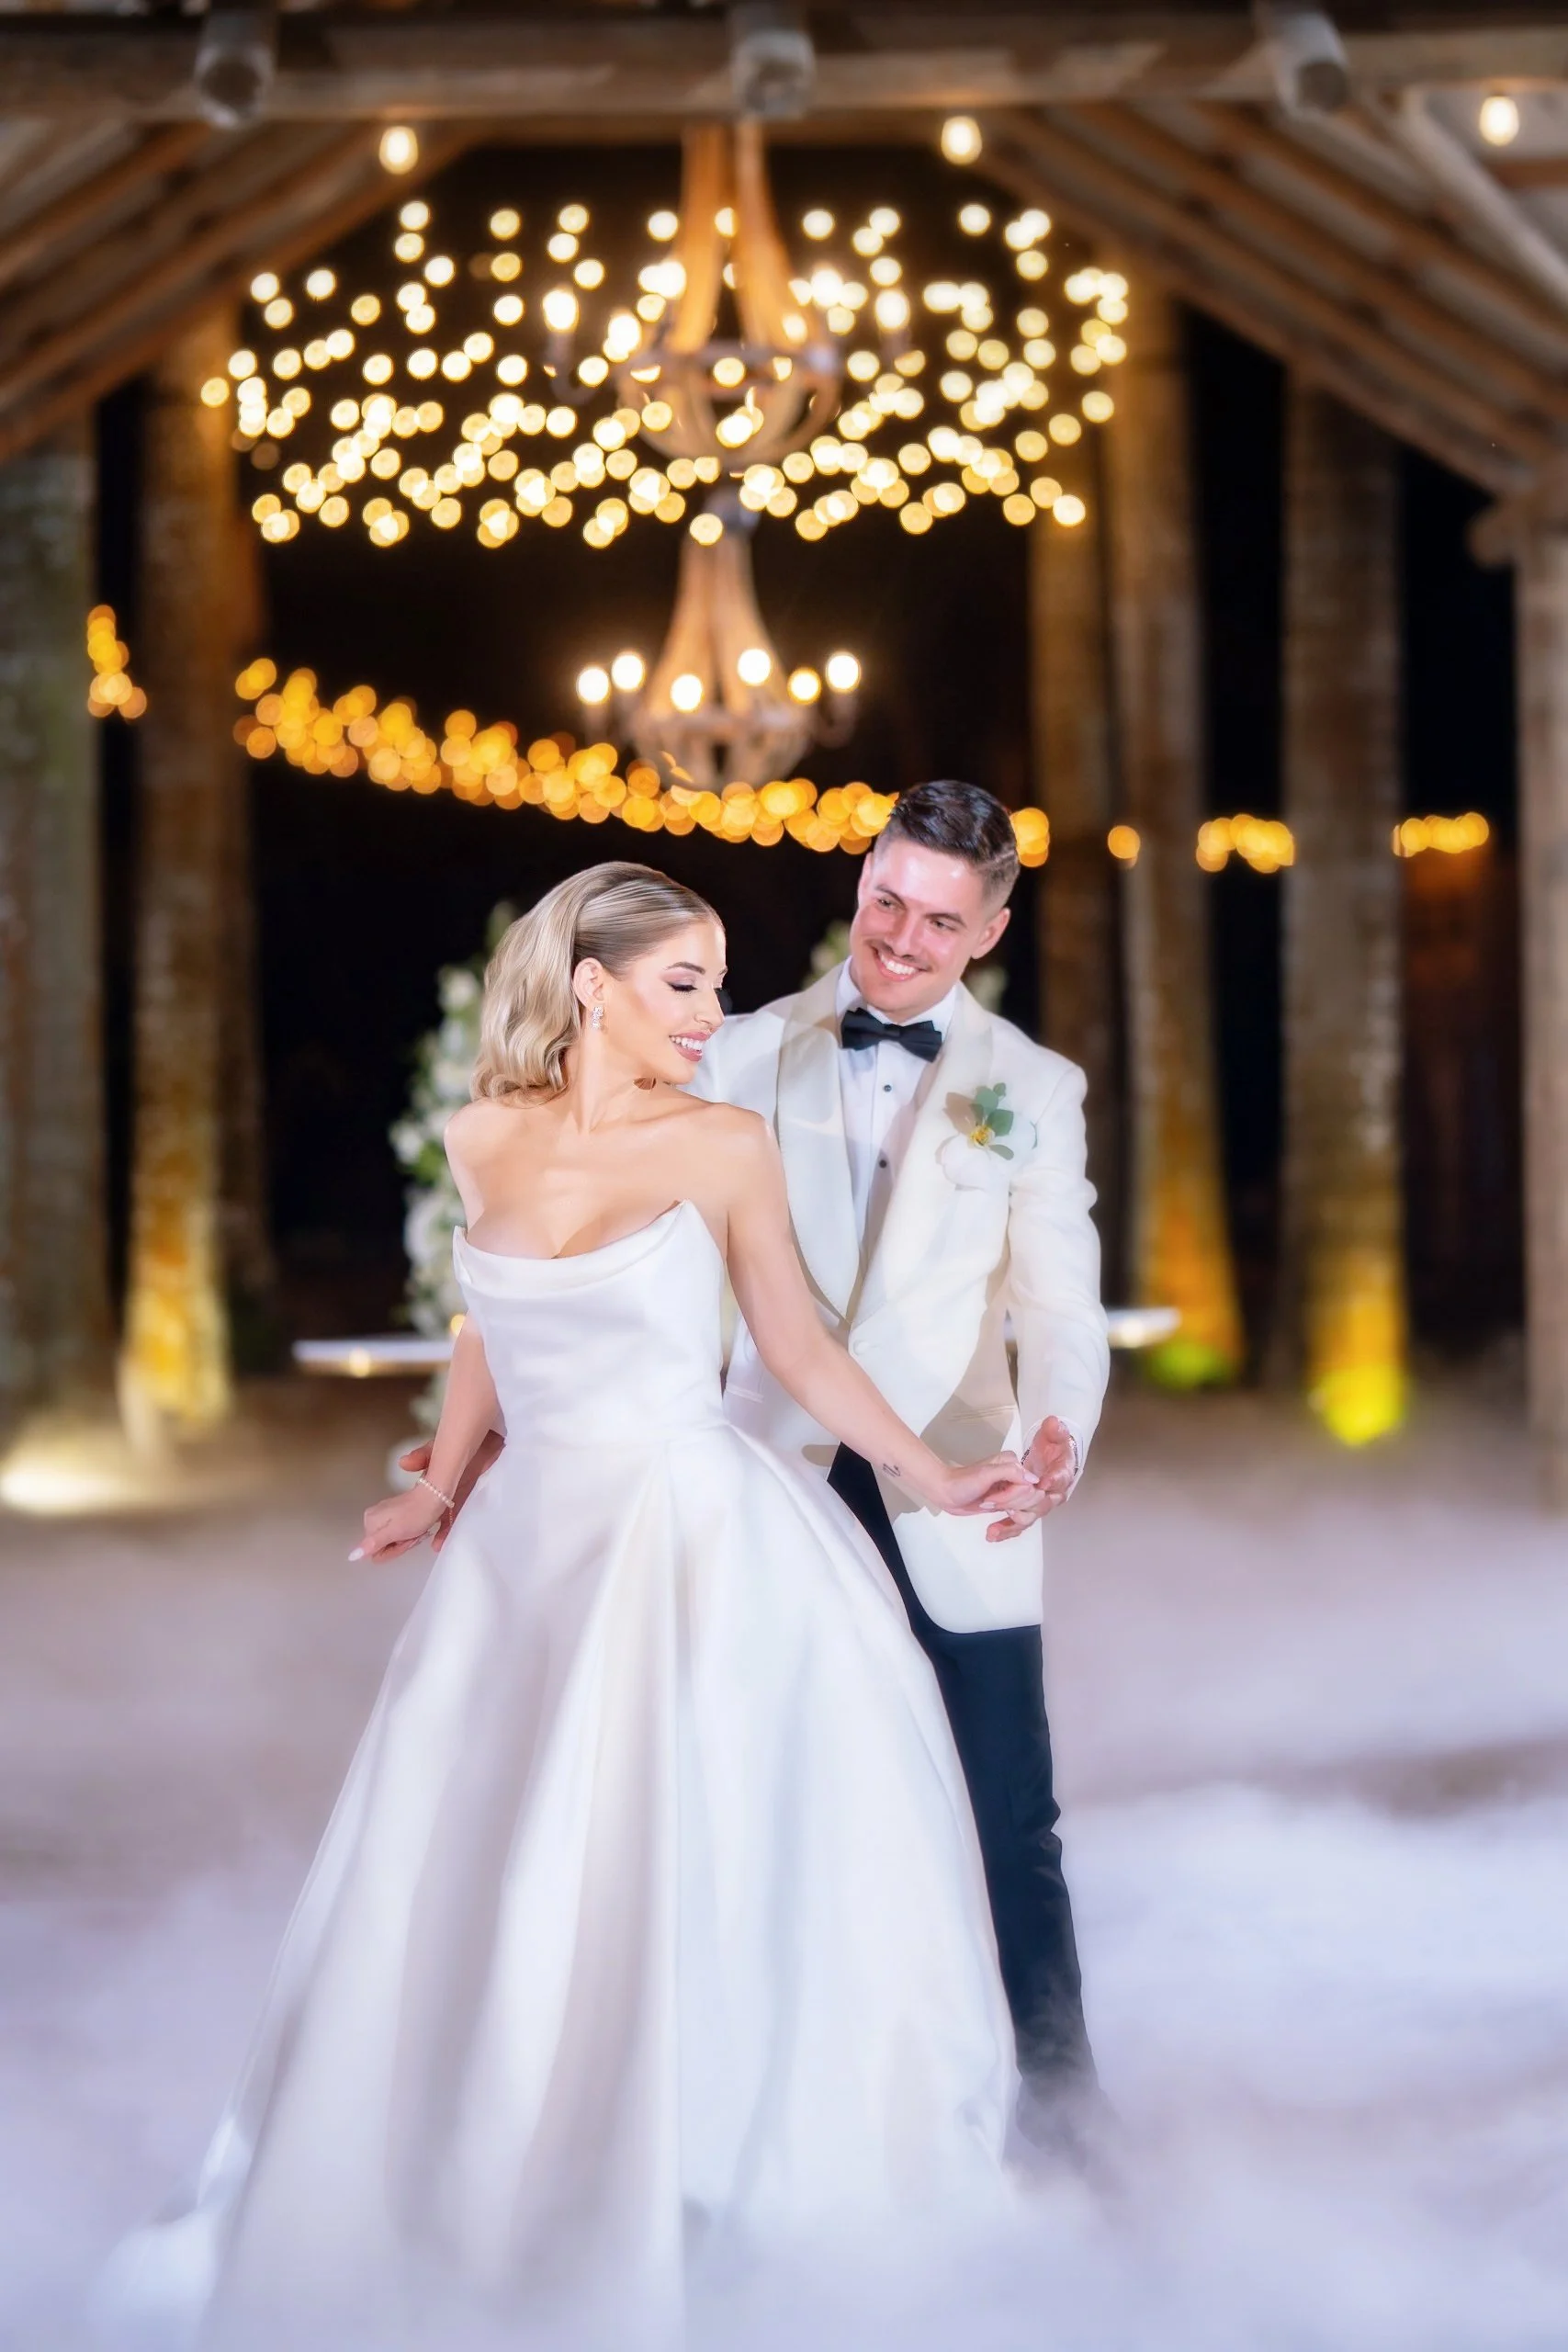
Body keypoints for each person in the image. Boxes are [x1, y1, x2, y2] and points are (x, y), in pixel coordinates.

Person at [103, 863, 1042, 2349]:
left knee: (683, 1858)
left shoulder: (721, 1145)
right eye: (684, 984)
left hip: (687, 1537)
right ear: (591, 985)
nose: (710, 1012)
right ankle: (485, 2173)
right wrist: (440, 1480)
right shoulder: (485, 1138)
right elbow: (490, 1318)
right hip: (528, 1549)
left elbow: (794, 1351)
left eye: (719, 985)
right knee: (497, 1857)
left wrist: (933, 1474)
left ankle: (701, 2179)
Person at [690, 779, 1111, 2112]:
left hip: (957, 1478)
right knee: (758, 1795)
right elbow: (687, 1279)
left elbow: (1057, 1303)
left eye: (937, 920)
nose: (900, 938)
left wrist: (1056, 1430)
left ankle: (1059, 2105)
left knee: (1007, 1820)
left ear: (987, 929)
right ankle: (766, 2103)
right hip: (771, 1476)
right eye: (886, 900)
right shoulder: (739, 1052)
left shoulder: (1032, 1090)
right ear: (860, 878)